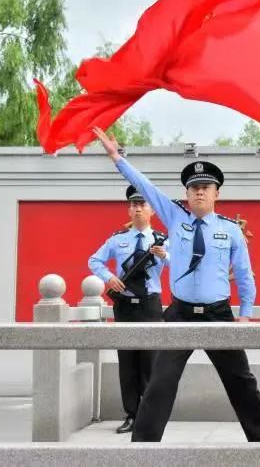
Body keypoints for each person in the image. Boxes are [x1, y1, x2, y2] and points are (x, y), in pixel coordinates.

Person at [92, 126, 260, 443]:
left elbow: (245, 274)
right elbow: (144, 187)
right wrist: (116, 157)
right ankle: (143, 447)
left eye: (206, 187)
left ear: (217, 193)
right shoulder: (176, 218)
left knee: (241, 381)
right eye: (194, 188)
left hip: (218, 314)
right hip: (179, 314)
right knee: (160, 382)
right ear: (186, 195)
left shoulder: (230, 231)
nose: (200, 192)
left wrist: (245, 314)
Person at [88, 185, 169, 434]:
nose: (137, 209)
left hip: (150, 306)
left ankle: (149, 415)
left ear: (152, 210)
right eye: (133, 205)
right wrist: (109, 277)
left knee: (150, 361)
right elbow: (94, 260)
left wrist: (165, 255)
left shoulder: (163, 241)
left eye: (142, 204)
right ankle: (131, 415)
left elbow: (181, 265)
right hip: (124, 306)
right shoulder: (118, 239)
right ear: (129, 208)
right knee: (127, 361)